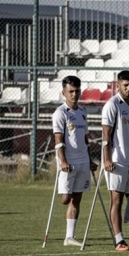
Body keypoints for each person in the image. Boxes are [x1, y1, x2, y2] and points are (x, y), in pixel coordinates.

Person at [101, 70, 129, 251]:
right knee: (116, 200)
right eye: (125, 85)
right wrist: (106, 159)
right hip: (116, 161)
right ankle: (119, 240)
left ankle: (122, 226)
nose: (128, 88)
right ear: (117, 85)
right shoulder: (112, 105)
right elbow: (106, 135)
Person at [52, 75, 99, 246]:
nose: (74, 94)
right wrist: (62, 161)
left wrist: (90, 159)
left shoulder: (82, 112)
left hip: (83, 162)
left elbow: (85, 138)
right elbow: (58, 140)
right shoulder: (60, 113)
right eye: (71, 91)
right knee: (66, 199)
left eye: (77, 91)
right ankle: (68, 234)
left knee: (77, 198)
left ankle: (69, 237)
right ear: (64, 92)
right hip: (68, 163)